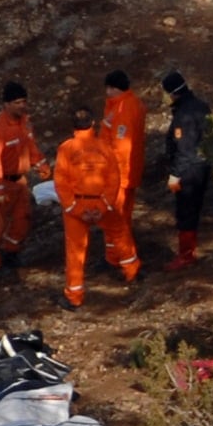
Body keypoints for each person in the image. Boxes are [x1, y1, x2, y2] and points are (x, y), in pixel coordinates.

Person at [53, 103, 137, 307]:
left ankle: (74, 297)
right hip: (102, 204)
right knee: (119, 232)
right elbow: (114, 178)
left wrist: (75, 209)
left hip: (77, 208)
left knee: (75, 251)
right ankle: (132, 273)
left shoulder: (66, 148)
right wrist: (104, 205)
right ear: (92, 123)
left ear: (73, 125)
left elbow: (60, 182)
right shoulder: (104, 147)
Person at [0, 82, 38, 274]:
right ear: (6, 105)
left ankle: (10, 252)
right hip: (1, 182)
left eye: (23, 101)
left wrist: (40, 163)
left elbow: (30, 146)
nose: (22, 105)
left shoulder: (24, 123)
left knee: (23, 218)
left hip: (19, 181)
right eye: (17, 102)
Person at [159, 69, 210, 273]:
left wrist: (175, 175)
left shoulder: (183, 115)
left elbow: (184, 149)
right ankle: (188, 252)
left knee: (185, 212)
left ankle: (186, 255)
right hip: (203, 167)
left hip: (189, 170)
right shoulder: (201, 106)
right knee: (194, 210)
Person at [98, 68, 147, 230]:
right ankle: (123, 250)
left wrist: (110, 171)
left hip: (120, 172)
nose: (107, 92)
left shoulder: (122, 109)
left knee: (116, 216)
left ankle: (117, 253)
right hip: (129, 168)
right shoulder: (132, 103)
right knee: (124, 213)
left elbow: (121, 145)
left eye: (109, 88)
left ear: (114, 88)